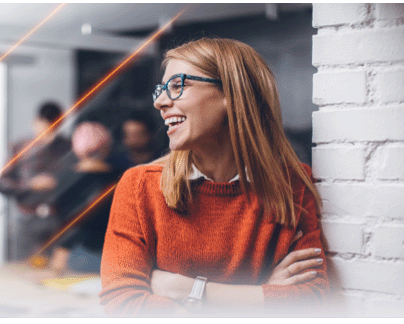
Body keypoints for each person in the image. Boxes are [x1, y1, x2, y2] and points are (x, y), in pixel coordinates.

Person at [99, 37, 328, 316]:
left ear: (232, 94)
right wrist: (258, 295)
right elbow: (121, 304)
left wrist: (191, 291)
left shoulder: (293, 184)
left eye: (177, 86)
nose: (160, 102)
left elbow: (311, 300)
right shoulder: (139, 186)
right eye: (161, 90)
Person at [0, 101, 73, 261]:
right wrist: (30, 185)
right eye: (44, 125)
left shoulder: (68, 147)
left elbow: (77, 182)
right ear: (35, 122)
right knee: (23, 270)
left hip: (58, 218)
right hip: (27, 219)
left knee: (58, 272)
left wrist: (59, 183)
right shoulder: (20, 147)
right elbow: (1, 183)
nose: (47, 131)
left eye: (54, 126)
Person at [47, 121, 121, 276]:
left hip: (76, 255)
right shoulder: (123, 177)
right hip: (117, 255)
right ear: (107, 145)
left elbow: (66, 222)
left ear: (77, 148)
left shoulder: (64, 179)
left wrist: (60, 252)